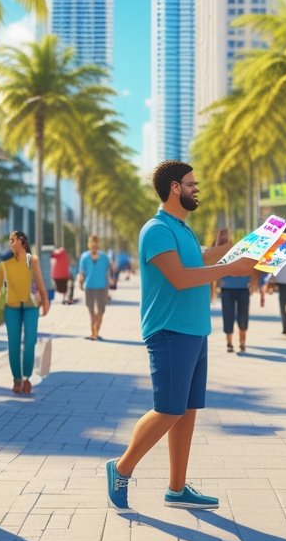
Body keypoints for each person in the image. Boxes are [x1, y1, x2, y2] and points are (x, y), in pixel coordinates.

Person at [105, 160, 258, 511]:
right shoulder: (157, 229)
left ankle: (176, 488)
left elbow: (196, 260)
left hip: (194, 330)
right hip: (169, 330)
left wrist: (223, 251)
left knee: (186, 411)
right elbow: (180, 277)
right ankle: (122, 466)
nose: (196, 188)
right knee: (168, 409)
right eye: (191, 183)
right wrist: (229, 268)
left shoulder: (182, 229)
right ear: (175, 187)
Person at [0, 231, 50, 396]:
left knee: (30, 342)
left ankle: (27, 378)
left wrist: (45, 299)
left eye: (13, 240)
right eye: (10, 241)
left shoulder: (32, 260)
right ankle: (17, 379)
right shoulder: (4, 265)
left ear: (22, 241)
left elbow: (40, 282)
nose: (11, 244)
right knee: (13, 345)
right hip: (12, 308)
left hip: (31, 307)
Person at [217, 267, 258, 353]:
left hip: (243, 287)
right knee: (228, 315)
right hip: (226, 287)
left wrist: (254, 283)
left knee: (243, 316)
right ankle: (229, 343)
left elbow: (253, 267)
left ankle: (242, 342)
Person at [79, 234, 112, 340]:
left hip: (102, 287)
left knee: (101, 311)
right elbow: (81, 272)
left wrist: (109, 287)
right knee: (91, 311)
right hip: (89, 287)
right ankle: (94, 333)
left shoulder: (104, 257)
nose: (94, 245)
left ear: (98, 244)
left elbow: (108, 273)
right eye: (92, 243)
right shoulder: (84, 257)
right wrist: (80, 282)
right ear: (89, 244)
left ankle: (96, 331)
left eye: (96, 243)